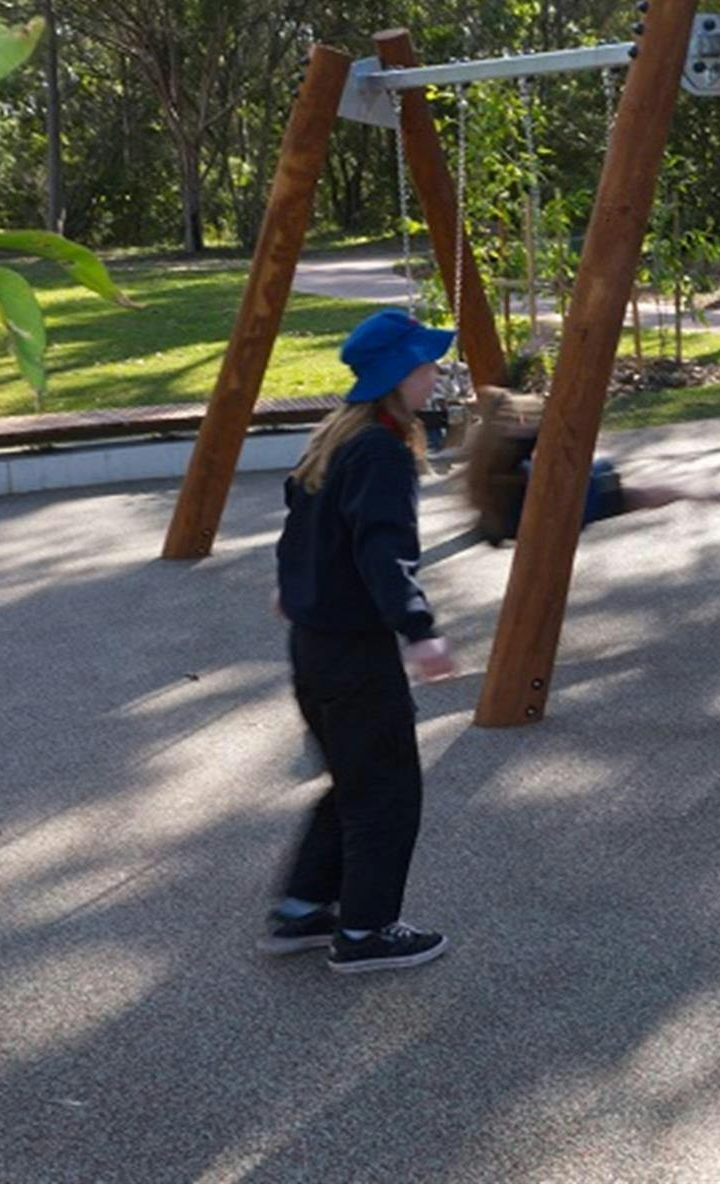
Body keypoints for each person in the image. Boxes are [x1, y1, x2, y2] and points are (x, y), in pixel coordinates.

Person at [263, 308, 458, 974]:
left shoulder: (336, 436)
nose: (436, 375)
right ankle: (367, 930)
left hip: (313, 645)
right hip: (354, 651)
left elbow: (302, 525)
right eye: (427, 364)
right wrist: (419, 630)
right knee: (386, 791)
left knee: (353, 778)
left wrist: (294, 586)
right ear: (399, 374)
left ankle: (303, 909)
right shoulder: (381, 449)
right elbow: (384, 550)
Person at [460, 386, 720, 544]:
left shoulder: (487, 446)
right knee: (656, 488)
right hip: (569, 509)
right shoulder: (515, 442)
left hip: (543, 513)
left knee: (641, 483)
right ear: (510, 419)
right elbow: (557, 431)